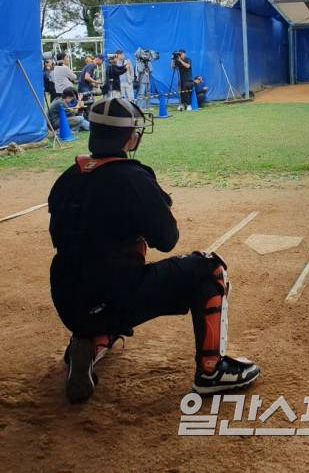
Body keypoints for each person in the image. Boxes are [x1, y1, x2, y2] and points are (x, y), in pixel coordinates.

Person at [48, 97, 260, 403]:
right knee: (209, 267)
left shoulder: (68, 177)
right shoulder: (132, 177)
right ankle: (212, 370)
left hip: (69, 301)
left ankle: (92, 341)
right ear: (130, 136)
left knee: (103, 278)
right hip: (113, 297)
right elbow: (168, 238)